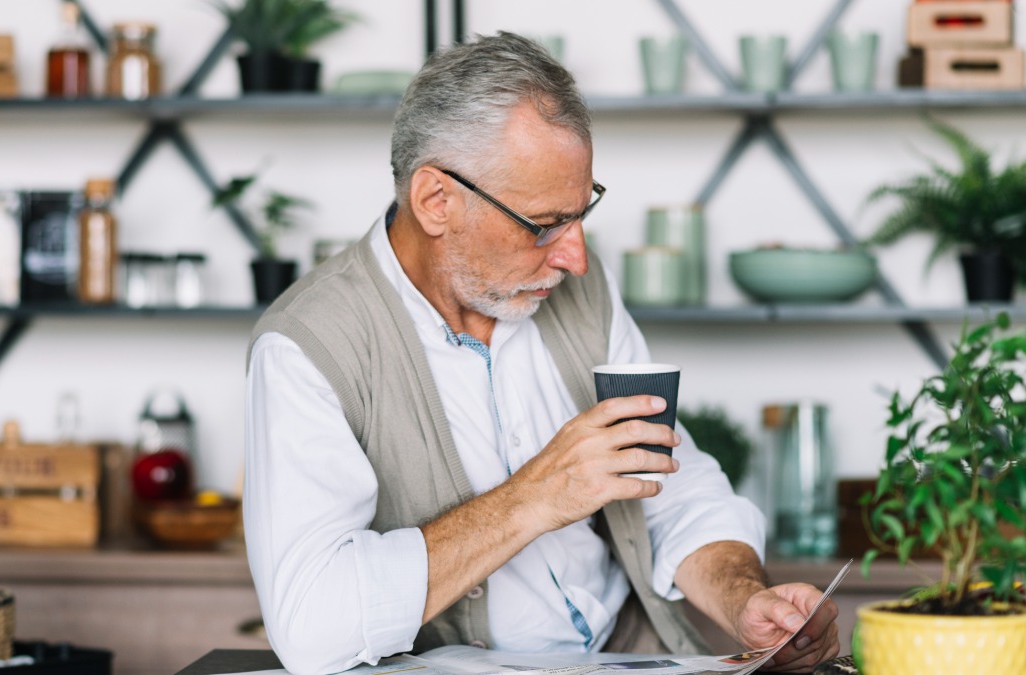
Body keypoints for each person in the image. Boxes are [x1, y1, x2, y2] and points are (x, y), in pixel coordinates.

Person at [244, 31, 839, 675]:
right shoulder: (307, 346)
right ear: (436, 201)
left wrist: (745, 598)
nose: (576, 257)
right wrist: (532, 497)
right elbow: (310, 622)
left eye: (582, 214)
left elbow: (670, 480)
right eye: (544, 224)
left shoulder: (577, 289)